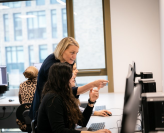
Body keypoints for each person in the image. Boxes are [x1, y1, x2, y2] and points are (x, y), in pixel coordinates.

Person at [29, 37, 108, 120]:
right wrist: (93, 84)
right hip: (45, 113)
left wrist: (91, 110)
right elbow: (68, 92)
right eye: (72, 53)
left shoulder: (65, 61)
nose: (74, 56)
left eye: (76, 53)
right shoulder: (53, 68)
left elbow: (71, 97)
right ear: (62, 50)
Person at [37, 63, 111, 133]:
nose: (73, 77)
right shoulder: (53, 98)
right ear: (63, 79)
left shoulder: (65, 94)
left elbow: (82, 122)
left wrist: (91, 102)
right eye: (70, 75)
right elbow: (59, 131)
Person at [16, 66, 38, 131]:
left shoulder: (22, 85)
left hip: (23, 120)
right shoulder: (40, 84)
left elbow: (21, 101)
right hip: (37, 120)